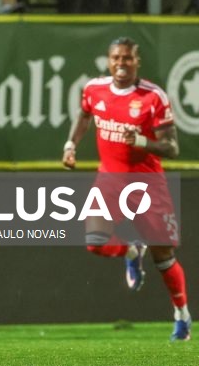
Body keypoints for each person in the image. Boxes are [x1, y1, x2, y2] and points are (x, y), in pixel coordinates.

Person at [62, 37, 191, 341]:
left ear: (137, 61)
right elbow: (84, 115)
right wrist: (70, 145)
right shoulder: (94, 89)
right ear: (109, 61)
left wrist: (144, 142)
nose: (122, 63)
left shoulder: (152, 97)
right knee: (94, 242)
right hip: (109, 180)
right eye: (116, 58)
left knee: (163, 257)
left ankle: (182, 315)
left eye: (128, 58)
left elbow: (172, 148)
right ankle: (131, 250)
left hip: (147, 186)